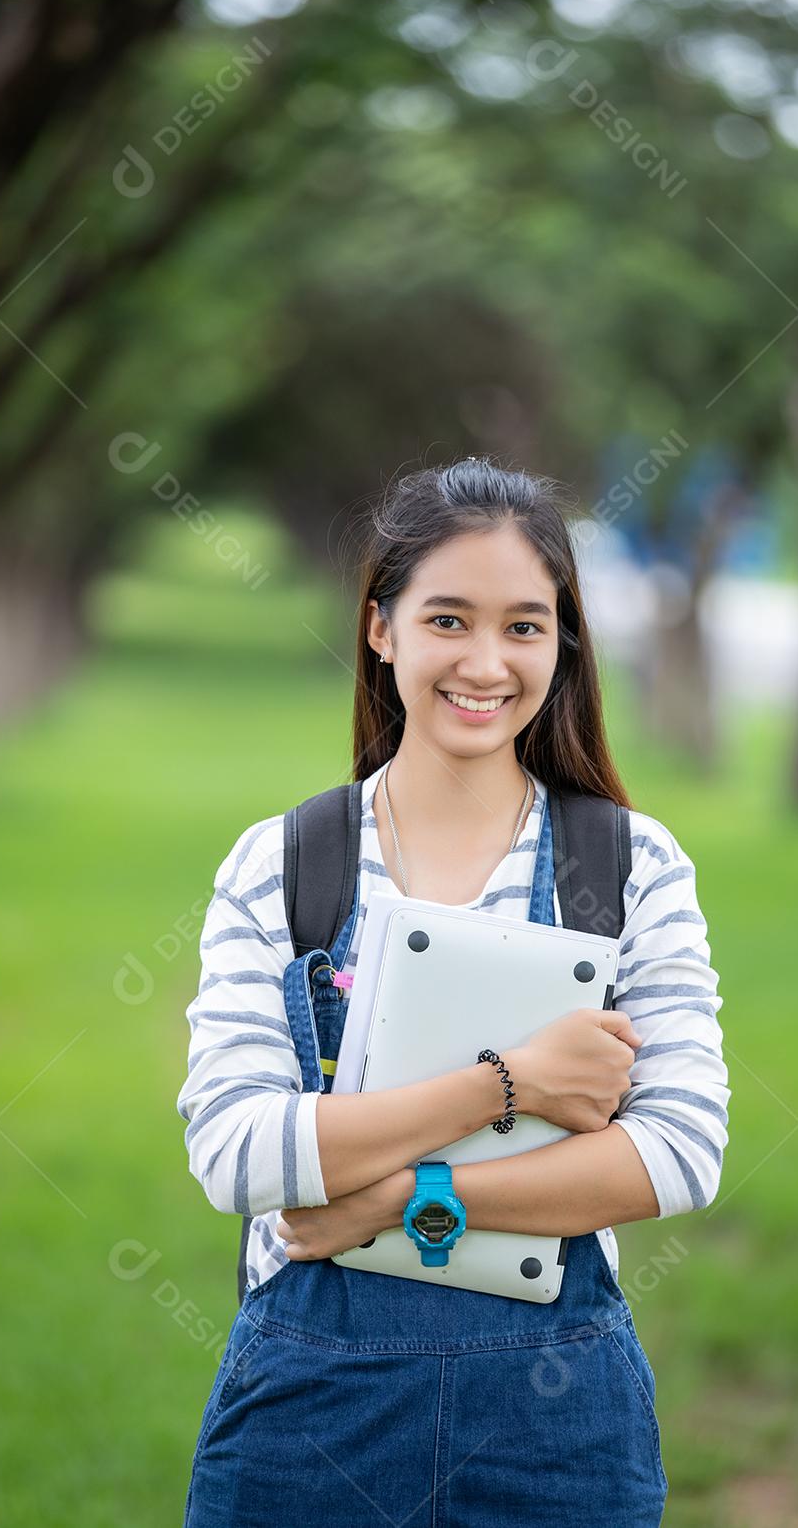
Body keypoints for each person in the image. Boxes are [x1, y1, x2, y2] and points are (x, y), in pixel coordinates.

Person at [176, 457, 730, 1527]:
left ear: (563, 641)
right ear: (381, 627)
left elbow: (679, 1151)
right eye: (448, 619)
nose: (487, 661)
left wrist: (403, 1203)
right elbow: (238, 1154)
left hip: (556, 1423)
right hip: (308, 1412)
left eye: (526, 625)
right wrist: (507, 1086)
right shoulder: (285, 862)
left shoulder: (628, 867)